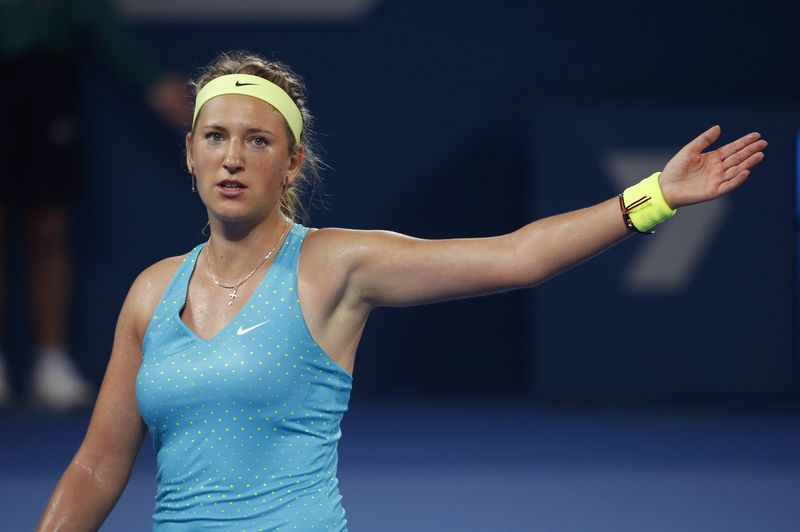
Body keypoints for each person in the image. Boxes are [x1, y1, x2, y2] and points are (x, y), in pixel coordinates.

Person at [36, 50, 767, 530]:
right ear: (189, 152)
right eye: (215, 137)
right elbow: (99, 464)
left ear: (291, 163)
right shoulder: (151, 293)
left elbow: (516, 257)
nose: (232, 158)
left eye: (257, 141)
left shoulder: (336, 267)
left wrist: (653, 198)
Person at [0, 0, 189, 410]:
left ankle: (50, 360)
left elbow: (96, 11)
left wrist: (150, 80)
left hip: (47, 74)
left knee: (49, 226)